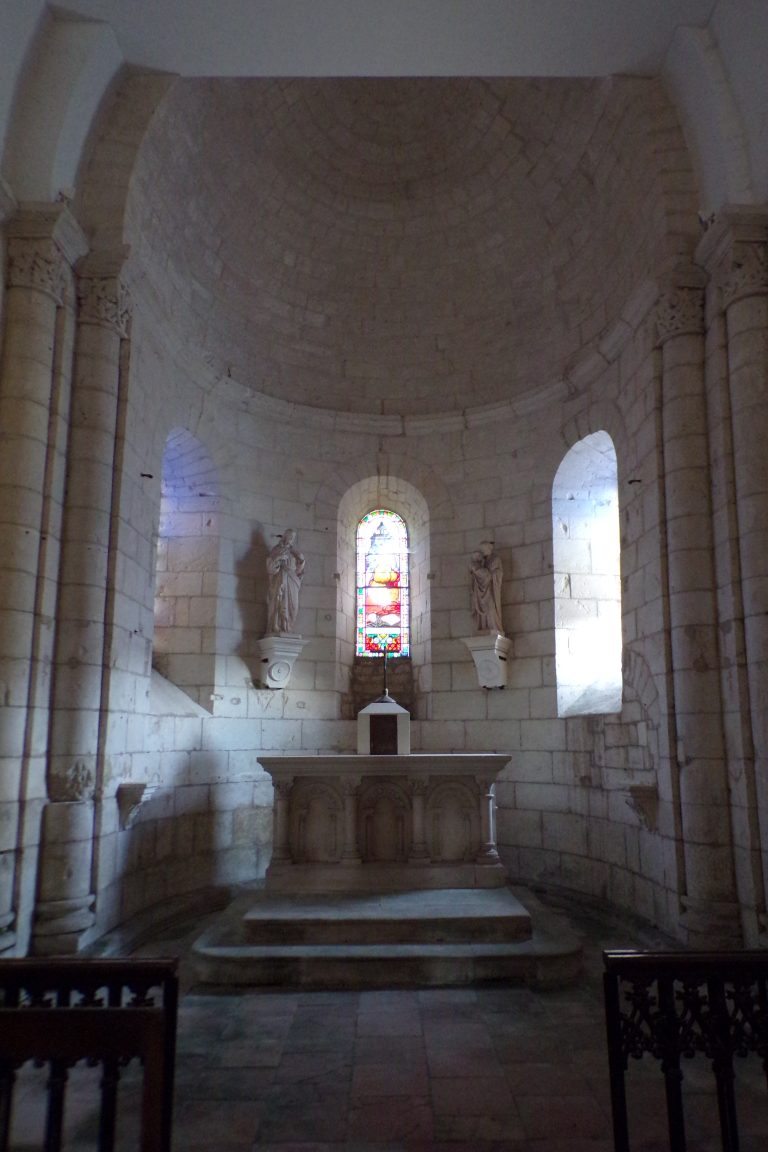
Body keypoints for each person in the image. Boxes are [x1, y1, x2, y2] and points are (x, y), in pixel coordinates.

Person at [266, 529, 305, 634]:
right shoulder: (276, 550)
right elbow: (270, 568)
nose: (291, 540)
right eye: (290, 537)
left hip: (293, 580)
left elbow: (299, 571)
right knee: (281, 601)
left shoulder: (294, 552)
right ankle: (279, 625)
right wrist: (279, 558)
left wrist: (301, 561)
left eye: (293, 538)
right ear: (285, 537)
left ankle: (288, 627)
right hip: (281, 578)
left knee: (294, 606)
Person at [470, 541, 504, 634]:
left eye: (483, 549)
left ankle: (493, 625)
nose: (482, 551)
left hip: (491, 589)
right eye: (481, 550)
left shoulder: (495, 559)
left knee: (490, 607)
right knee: (483, 607)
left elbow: (498, 573)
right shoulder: (483, 561)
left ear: (489, 549)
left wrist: (490, 575)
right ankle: (483, 626)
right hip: (481, 590)